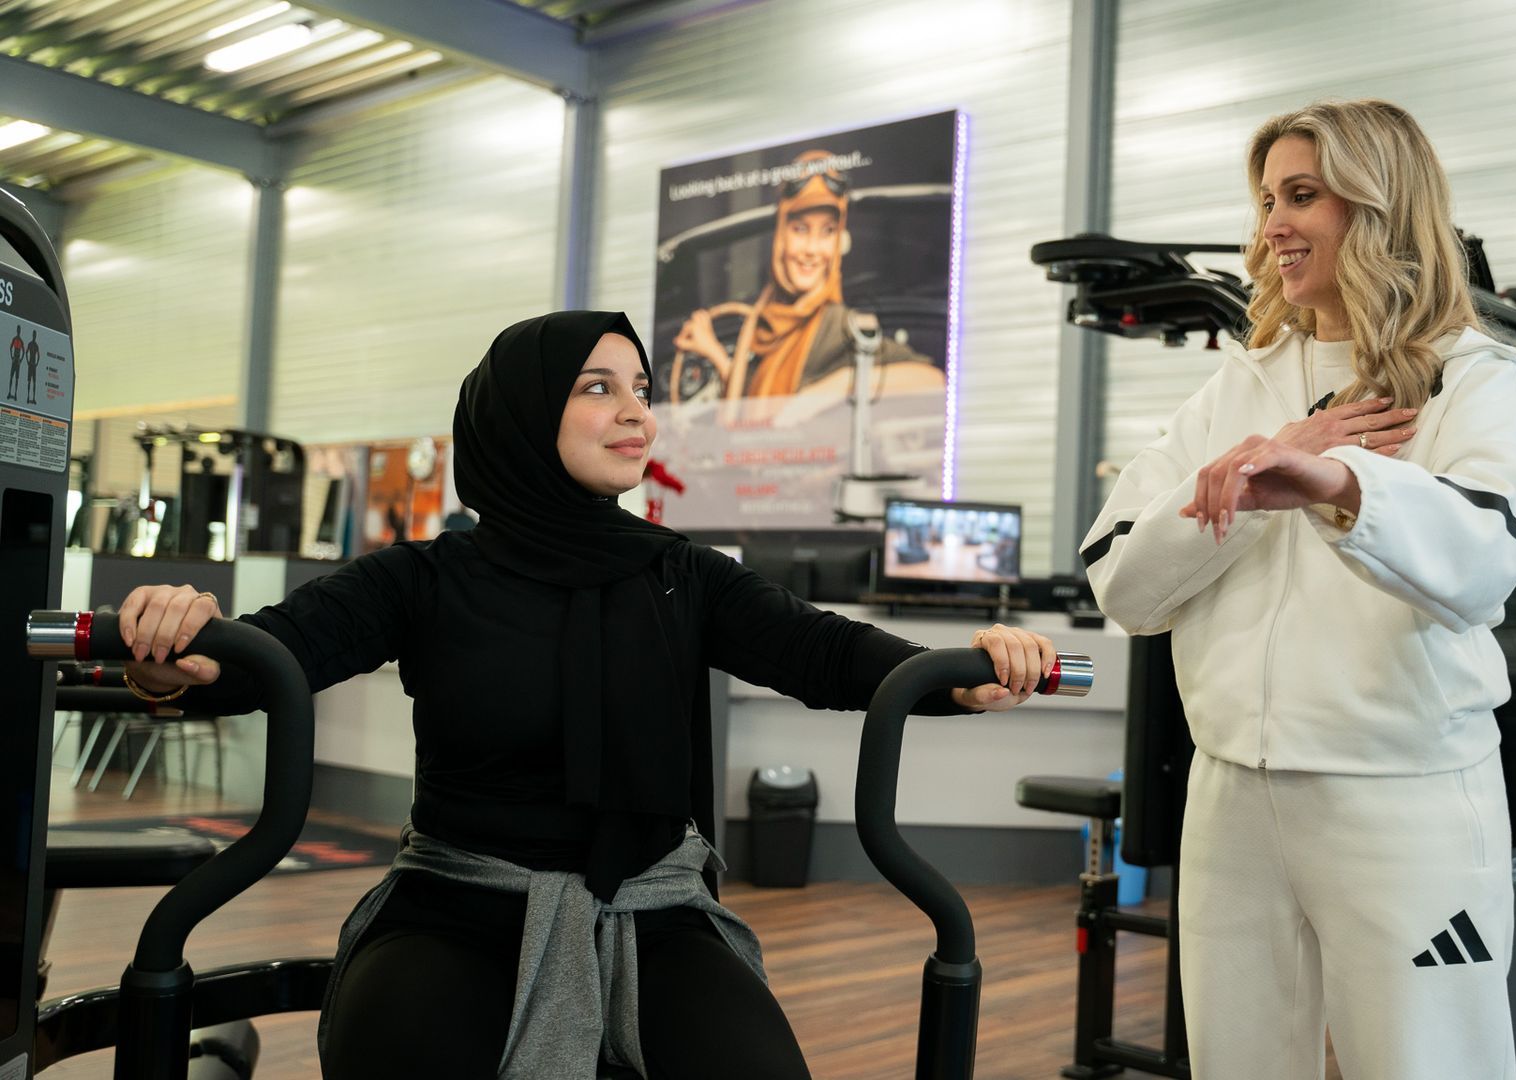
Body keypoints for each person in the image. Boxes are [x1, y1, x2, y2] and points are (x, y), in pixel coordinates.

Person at [113, 311, 1058, 1079]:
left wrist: (960, 671)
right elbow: (266, 658)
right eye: (597, 386)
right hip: (458, 905)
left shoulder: (682, 574)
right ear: (522, 412)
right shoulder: (424, 579)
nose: (636, 411)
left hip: (654, 908)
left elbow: (829, 653)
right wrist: (175, 650)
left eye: (642, 389)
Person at [1080, 99, 1516, 1079]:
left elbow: (1487, 562)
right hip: (1233, 797)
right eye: (1266, 202)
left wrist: (1343, 486)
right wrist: (1260, 484)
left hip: (1404, 794)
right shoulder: (1238, 389)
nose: (1273, 227)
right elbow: (1123, 581)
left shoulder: (1474, 378)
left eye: (1302, 195)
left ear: (1380, 207)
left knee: (1430, 1065)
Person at [670, 150, 945, 409]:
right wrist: (715, 354)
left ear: (839, 243)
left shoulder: (840, 326)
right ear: (780, 236)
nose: (812, 250)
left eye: (827, 231)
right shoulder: (761, 324)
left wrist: (842, 385)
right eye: (800, 229)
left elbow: (933, 382)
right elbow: (750, 417)